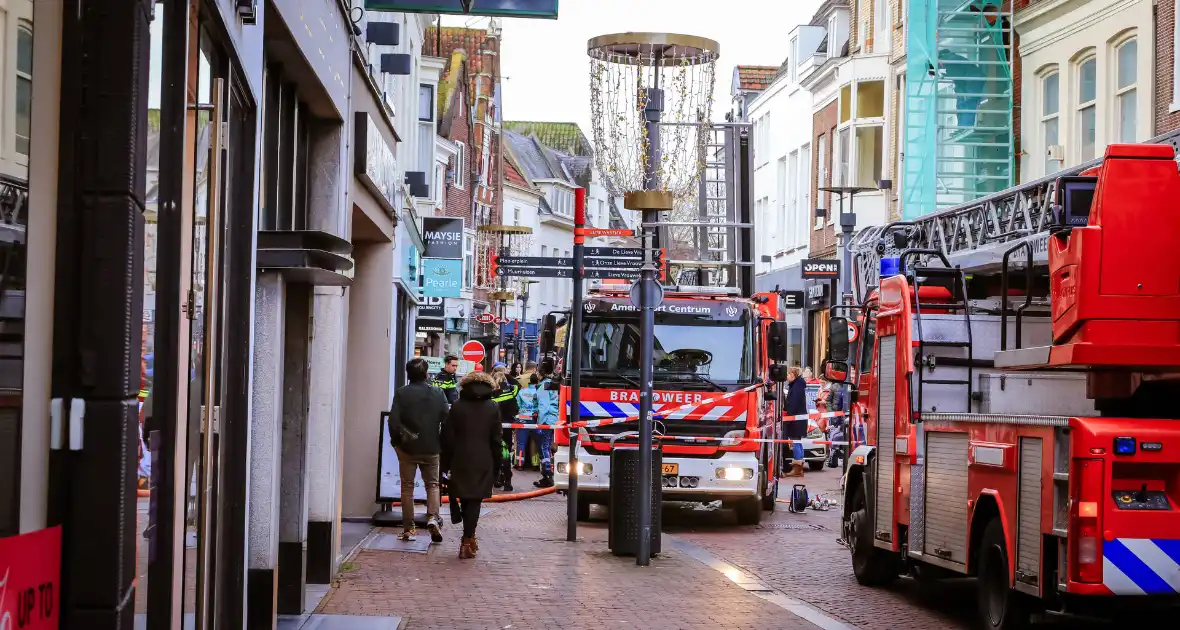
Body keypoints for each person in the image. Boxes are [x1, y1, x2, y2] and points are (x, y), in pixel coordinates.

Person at [441, 370, 503, 559]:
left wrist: (446, 462)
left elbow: (447, 437)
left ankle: (469, 538)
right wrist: (498, 462)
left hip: (460, 458)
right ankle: (467, 541)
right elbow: (496, 438)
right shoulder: (492, 407)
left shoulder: (457, 406)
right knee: (474, 500)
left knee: (465, 497)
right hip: (483, 459)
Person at [389, 357, 450, 542]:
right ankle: (432, 517)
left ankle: (409, 529)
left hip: (407, 447)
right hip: (431, 446)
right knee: (432, 485)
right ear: (426, 373)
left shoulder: (401, 393)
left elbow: (394, 420)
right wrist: (441, 441)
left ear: (408, 374)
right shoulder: (438, 393)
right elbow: (446, 419)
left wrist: (396, 442)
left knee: (407, 488)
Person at [490, 366, 520, 492]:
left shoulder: (489, 392)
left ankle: (496, 478)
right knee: (506, 452)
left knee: (493, 452)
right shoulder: (510, 391)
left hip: (493, 428)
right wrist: (507, 375)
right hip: (507, 428)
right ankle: (507, 479)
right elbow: (517, 385)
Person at [533, 362, 560, 488]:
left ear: (541, 372)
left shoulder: (544, 386)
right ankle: (547, 474)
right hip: (553, 419)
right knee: (547, 447)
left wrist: (540, 424)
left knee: (544, 448)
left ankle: (547, 474)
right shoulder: (552, 384)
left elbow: (544, 406)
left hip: (546, 420)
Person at [783, 366, 809, 478]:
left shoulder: (797, 386)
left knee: (795, 442)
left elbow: (793, 403)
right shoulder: (797, 385)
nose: (787, 377)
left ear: (793, 375)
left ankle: (797, 467)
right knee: (798, 441)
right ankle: (799, 466)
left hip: (796, 419)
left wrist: (788, 417)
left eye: (788, 374)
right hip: (799, 418)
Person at [515, 373, 540, 469]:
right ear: (537, 381)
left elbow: (518, 405)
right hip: (535, 419)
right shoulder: (539, 392)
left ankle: (520, 464)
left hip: (523, 419)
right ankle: (535, 464)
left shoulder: (522, 392)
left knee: (521, 443)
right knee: (536, 442)